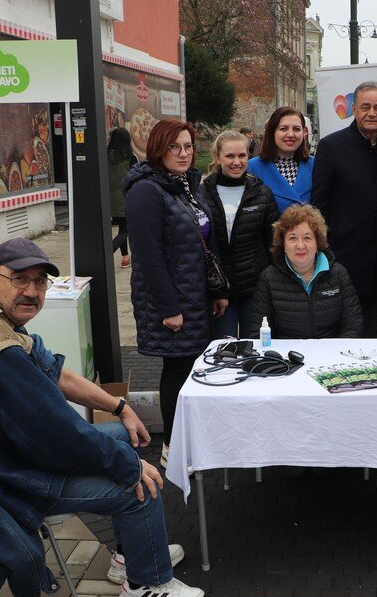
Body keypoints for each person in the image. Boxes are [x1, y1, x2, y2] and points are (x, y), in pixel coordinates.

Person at [0, 238, 204, 597]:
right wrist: (128, 467)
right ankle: (148, 585)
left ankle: (134, 555)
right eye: (19, 279)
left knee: (118, 437)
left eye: (39, 282)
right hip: (1, 480)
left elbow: (57, 375)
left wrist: (120, 407)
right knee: (136, 484)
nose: (31, 291)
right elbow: (58, 434)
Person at [125, 119, 228, 467]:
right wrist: (169, 308)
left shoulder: (186, 185)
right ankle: (173, 447)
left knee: (192, 367)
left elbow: (205, 242)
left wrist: (216, 290)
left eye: (188, 147)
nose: (184, 154)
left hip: (196, 294)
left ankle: (189, 441)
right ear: (158, 149)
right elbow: (148, 257)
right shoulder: (145, 191)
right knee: (178, 370)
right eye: (175, 147)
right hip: (171, 299)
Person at [312, 80, 377, 337]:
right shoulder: (331, 147)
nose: (371, 113)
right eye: (365, 106)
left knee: (370, 335)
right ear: (354, 108)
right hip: (341, 261)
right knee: (338, 335)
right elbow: (319, 206)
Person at [199, 130, 277, 339]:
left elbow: (272, 244)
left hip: (254, 289)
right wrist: (216, 290)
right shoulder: (202, 194)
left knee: (256, 350)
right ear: (217, 157)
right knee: (224, 351)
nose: (236, 162)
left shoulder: (262, 193)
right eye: (230, 156)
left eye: (242, 156)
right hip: (219, 292)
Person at [244, 204, 363, 338]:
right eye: (292, 238)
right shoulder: (268, 278)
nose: (300, 245)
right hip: (286, 356)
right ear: (283, 244)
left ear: (318, 243)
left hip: (330, 354)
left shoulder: (338, 274)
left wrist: (336, 353)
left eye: (307, 238)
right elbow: (257, 331)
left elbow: (353, 324)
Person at [247, 106, 315, 214]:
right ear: (272, 132)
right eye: (283, 129)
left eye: (296, 129)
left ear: (304, 132)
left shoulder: (315, 165)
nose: (290, 135)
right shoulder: (252, 167)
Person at [107, 127, 138, 268]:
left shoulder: (105, 155)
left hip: (109, 198)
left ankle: (125, 258)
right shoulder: (130, 157)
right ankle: (107, 253)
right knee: (126, 230)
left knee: (122, 227)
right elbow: (137, 177)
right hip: (126, 197)